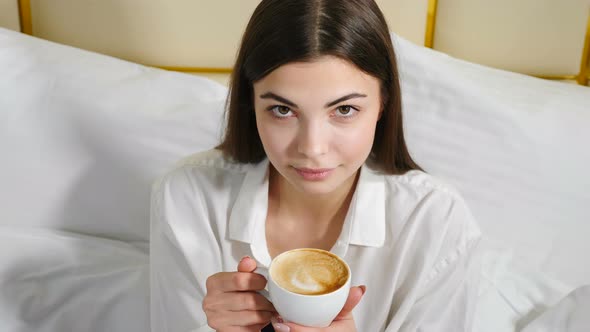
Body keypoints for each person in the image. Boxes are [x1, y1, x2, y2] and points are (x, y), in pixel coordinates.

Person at [150, 0, 482, 331]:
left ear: (383, 102)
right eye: (282, 110)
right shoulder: (188, 197)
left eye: (345, 110)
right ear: (250, 102)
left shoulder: (435, 221)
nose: (312, 148)